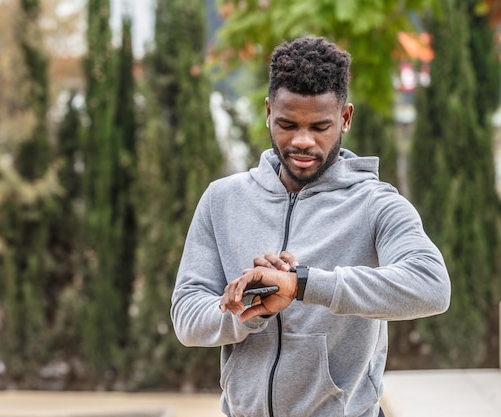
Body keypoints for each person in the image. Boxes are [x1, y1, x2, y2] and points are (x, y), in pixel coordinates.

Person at [171, 36, 451, 417]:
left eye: (320, 126)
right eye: (287, 124)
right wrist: (251, 307)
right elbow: (187, 317)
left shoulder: (377, 204)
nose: (303, 141)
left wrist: (304, 284)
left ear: (346, 118)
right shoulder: (222, 200)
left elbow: (432, 286)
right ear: (268, 112)